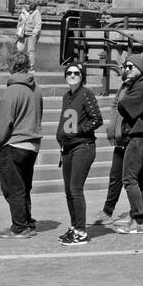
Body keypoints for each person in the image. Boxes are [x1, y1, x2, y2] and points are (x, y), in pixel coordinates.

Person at [92, 59, 143, 229]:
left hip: (138, 138)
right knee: (135, 179)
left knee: (129, 180)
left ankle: (138, 220)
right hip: (131, 137)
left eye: (130, 67)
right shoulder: (136, 84)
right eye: (125, 67)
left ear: (141, 68)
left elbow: (124, 106)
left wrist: (126, 92)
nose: (127, 70)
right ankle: (138, 216)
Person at [0, 52, 44, 240]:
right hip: (32, 143)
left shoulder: (11, 91)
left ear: (11, 67)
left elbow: (3, 123)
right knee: (24, 186)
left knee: (12, 187)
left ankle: (19, 227)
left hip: (14, 144)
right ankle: (27, 221)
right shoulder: (35, 88)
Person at [57, 61, 103, 245]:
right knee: (69, 191)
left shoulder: (86, 94)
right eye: (69, 73)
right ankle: (75, 226)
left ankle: (82, 231)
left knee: (75, 188)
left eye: (76, 73)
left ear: (82, 76)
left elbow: (97, 119)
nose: (73, 75)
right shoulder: (66, 96)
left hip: (83, 146)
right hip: (67, 148)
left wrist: (78, 130)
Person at [15, 1, 42, 71]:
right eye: (25, 5)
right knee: (19, 50)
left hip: (31, 35)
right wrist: (18, 32)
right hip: (22, 34)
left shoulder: (36, 12)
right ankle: (19, 65)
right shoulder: (23, 12)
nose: (25, 6)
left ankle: (31, 67)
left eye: (27, 5)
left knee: (30, 51)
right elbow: (19, 22)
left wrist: (34, 33)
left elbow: (38, 24)